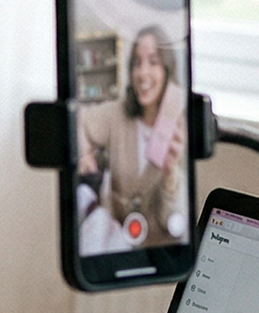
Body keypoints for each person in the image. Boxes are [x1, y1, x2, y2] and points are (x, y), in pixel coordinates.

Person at [76, 26, 188, 252]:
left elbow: (174, 223)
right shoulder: (117, 114)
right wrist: (83, 152)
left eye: (153, 62)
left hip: (157, 252)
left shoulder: (180, 130)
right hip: (115, 242)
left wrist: (169, 174)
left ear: (167, 69)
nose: (142, 73)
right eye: (137, 63)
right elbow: (76, 120)